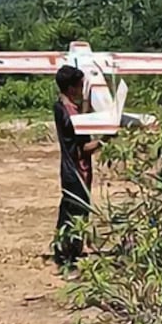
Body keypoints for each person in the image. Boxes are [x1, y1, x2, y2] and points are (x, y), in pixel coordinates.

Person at [53, 65, 106, 269]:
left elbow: (81, 119)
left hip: (69, 170)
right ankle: (67, 257)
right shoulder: (71, 118)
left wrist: (86, 100)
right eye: (80, 85)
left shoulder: (62, 107)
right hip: (77, 171)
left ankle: (67, 251)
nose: (82, 89)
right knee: (75, 214)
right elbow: (84, 148)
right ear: (71, 88)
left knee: (69, 211)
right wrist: (106, 139)